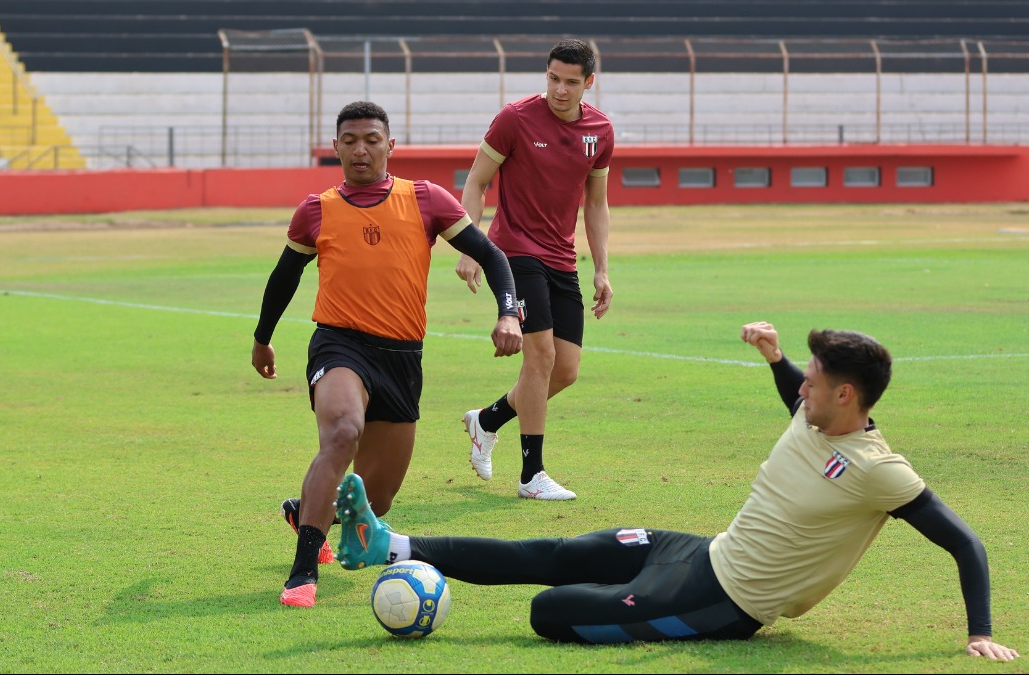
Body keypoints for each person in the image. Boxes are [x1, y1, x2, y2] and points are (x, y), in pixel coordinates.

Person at [329, 321, 1020, 660]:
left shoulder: (877, 468)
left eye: (811, 377)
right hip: (694, 552)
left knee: (550, 611)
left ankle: (404, 551)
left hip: (721, 602)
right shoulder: (814, 416)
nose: (800, 385)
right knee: (557, 551)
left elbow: (964, 541)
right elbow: (796, 396)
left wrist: (980, 632)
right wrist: (777, 360)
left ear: (845, 394)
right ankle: (386, 543)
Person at [251, 101, 523, 608]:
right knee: (342, 432)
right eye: (350, 140)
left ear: (390, 146)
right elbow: (284, 277)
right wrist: (263, 336)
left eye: (371, 139)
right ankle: (302, 572)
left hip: (402, 356)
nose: (360, 149)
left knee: (376, 503)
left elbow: (492, 255)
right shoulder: (317, 209)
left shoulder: (426, 200)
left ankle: (308, 509)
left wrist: (509, 313)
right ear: (335, 148)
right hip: (339, 343)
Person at [454, 38, 615, 500]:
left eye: (570, 82)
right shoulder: (515, 118)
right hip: (513, 253)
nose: (559, 90)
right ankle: (532, 475)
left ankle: (486, 421)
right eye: (552, 79)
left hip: (563, 258)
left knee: (565, 370)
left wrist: (601, 269)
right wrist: (470, 246)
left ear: (588, 82)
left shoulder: (600, 131)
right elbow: (477, 181)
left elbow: (597, 204)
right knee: (539, 358)